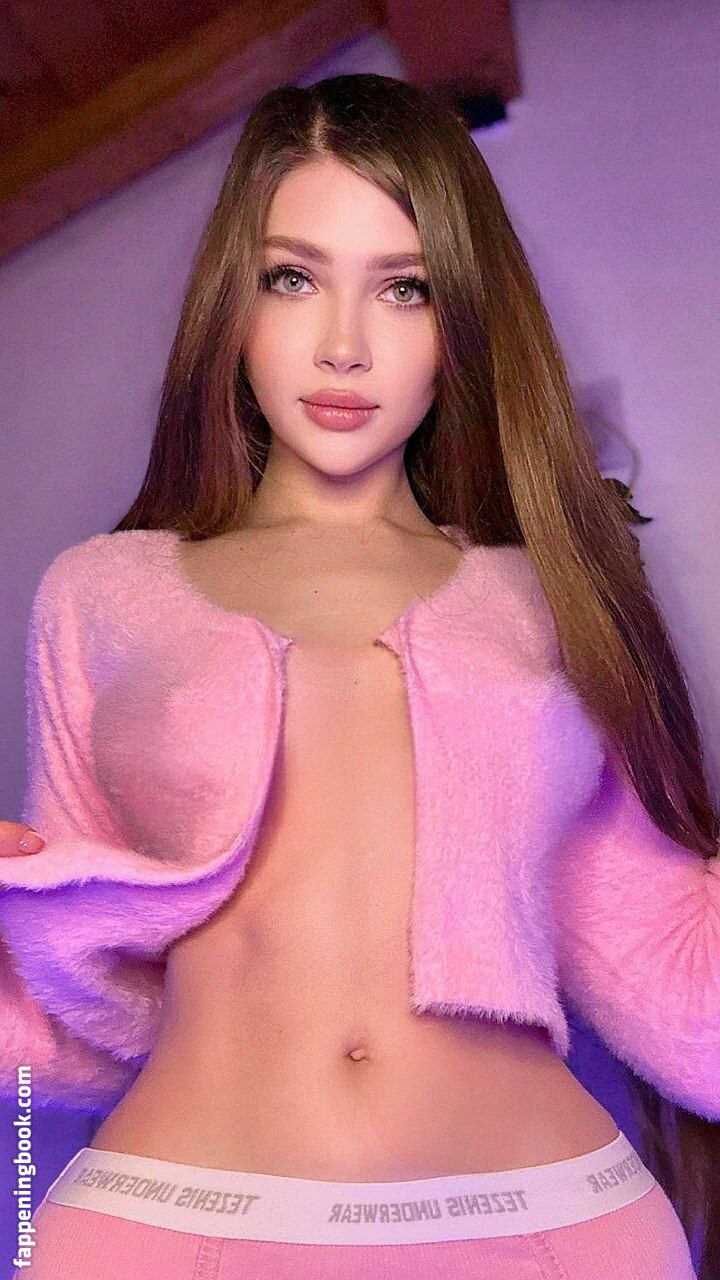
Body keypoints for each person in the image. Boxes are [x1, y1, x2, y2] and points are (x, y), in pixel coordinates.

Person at [4, 73, 717, 1279]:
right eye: (294, 277)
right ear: (233, 302)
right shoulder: (100, 594)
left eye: (405, 287)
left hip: (548, 1224)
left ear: (463, 319)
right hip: (167, 1222)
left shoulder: (554, 598)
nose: (344, 343)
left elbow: (671, 981)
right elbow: (85, 1019)